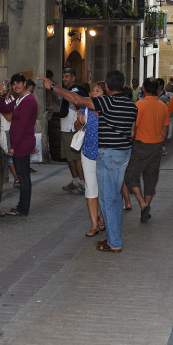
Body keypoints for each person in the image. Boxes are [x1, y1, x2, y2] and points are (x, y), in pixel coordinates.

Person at [39, 70, 137, 253]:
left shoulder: (106, 102)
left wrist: (52, 86)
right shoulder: (132, 106)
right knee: (114, 198)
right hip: (124, 153)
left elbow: (77, 100)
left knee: (107, 200)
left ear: (107, 87)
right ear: (123, 86)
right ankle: (113, 238)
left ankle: (114, 242)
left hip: (108, 154)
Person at [124, 78, 169, 223]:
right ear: (157, 89)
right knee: (151, 178)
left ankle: (142, 204)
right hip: (156, 146)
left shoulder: (139, 105)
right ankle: (146, 206)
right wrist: (161, 142)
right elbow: (165, 128)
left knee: (130, 175)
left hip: (140, 145)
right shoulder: (163, 106)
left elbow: (133, 129)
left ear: (143, 88)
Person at [0, 74, 38, 216]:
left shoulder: (28, 101)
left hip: (23, 142)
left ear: (24, 83)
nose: (16, 86)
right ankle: (22, 205)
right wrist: (2, 95)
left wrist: (13, 146)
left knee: (23, 177)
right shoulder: (19, 99)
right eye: (13, 84)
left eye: (19, 83)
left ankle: (23, 208)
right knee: (22, 176)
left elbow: (23, 125)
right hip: (20, 141)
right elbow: (4, 109)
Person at [77, 82, 105, 237]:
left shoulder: (108, 109)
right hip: (88, 153)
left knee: (105, 188)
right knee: (91, 188)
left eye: (98, 90)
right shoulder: (85, 108)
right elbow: (76, 126)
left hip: (105, 154)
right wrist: (79, 121)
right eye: (92, 91)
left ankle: (102, 216)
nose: (94, 93)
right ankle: (94, 223)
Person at [55, 67, 89, 195]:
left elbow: (79, 104)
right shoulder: (67, 90)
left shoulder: (76, 90)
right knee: (69, 157)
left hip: (73, 127)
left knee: (75, 157)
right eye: (63, 76)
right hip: (65, 126)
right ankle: (75, 181)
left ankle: (82, 183)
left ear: (74, 78)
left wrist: (80, 121)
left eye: (67, 76)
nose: (64, 79)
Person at [0, 82, 20, 188]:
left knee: (15, 156)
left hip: (13, 130)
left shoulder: (11, 99)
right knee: (9, 157)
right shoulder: (0, 100)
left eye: (5, 87)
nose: (3, 89)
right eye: (1, 87)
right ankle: (17, 179)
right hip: (5, 130)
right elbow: (9, 117)